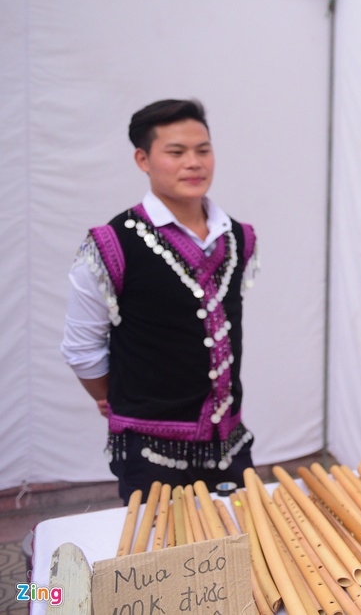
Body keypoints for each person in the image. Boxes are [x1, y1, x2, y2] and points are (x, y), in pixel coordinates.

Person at [61, 99, 259, 504]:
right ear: (143, 159)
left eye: (203, 150)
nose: (194, 163)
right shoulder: (111, 244)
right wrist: (114, 398)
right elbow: (82, 349)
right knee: (163, 558)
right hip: (151, 454)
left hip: (230, 444)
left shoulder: (239, 237)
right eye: (176, 152)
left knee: (245, 554)